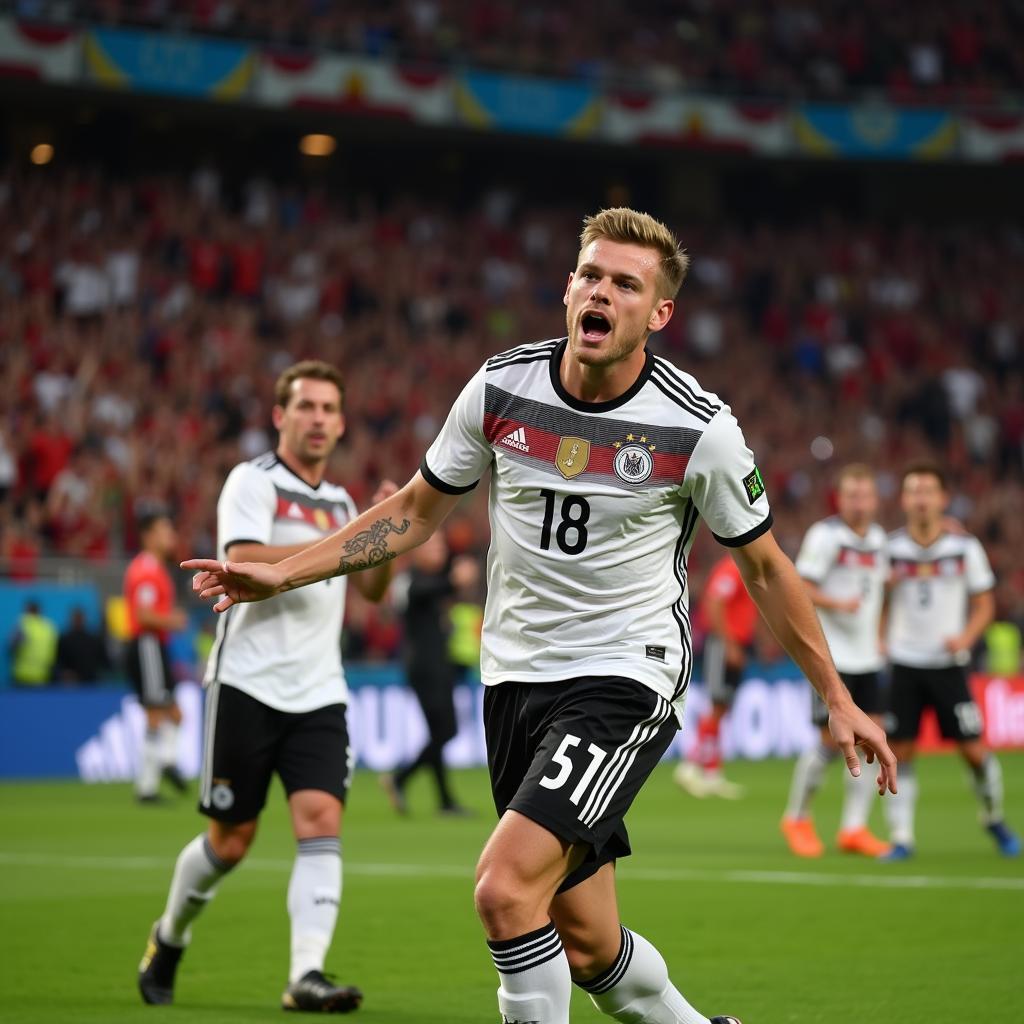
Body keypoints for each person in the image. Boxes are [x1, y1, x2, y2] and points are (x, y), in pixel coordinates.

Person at [185, 209, 896, 1024]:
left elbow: (766, 567)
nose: (602, 291)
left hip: (627, 676)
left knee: (503, 889)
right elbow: (415, 511)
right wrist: (281, 571)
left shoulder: (699, 427)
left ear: (658, 313)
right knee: (588, 942)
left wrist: (835, 695)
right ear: (567, 288)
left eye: (626, 284)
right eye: (591, 274)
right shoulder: (500, 387)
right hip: (515, 680)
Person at [137, 360, 397, 1012]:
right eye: (305, 406)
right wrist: (343, 544)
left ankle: (305, 975)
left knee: (321, 821)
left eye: (328, 409)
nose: (317, 419)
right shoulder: (251, 482)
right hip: (246, 685)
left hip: (319, 691)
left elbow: (371, 589)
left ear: (340, 424)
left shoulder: (341, 504)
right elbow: (247, 562)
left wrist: (382, 536)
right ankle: (169, 935)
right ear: (280, 416)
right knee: (232, 840)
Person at [880, 461, 1019, 861]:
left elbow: (984, 604)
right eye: (913, 491)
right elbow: (873, 600)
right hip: (904, 662)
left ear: (943, 498)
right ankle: (902, 837)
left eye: (928, 491)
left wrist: (966, 637)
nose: (921, 499)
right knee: (900, 752)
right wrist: (879, 633)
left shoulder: (964, 548)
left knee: (973, 752)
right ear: (904, 500)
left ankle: (992, 817)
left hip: (948, 664)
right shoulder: (889, 549)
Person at [781, 464, 891, 858]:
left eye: (865, 496)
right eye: (852, 496)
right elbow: (800, 587)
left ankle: (854, 829)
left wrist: (879, 634)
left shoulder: (879, 541)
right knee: (829, 744)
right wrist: (837, 603)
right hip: (833, 659)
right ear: (839, 499)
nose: (859, 504)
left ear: (876, 500)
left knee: (871, 742)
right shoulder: (825, 536)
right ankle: (796, 817)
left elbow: (883, 592)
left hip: (869, 660)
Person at [381, 532, 478, 816]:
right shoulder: (410, 580)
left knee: (438, 732)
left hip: (438, 665)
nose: (439, 552)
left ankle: (445, 801)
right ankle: (400, 778)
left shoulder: (432, 581)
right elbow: (419, 593)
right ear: (416, 551)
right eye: (432, 546)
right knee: (447, 730)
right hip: (425, 667)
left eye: (441, 546)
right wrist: (454, 581)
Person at [673, 555, 757, 799]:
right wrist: (728, 643)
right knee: (717, 705)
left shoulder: (742, 566)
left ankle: (711, 773)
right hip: (723, 645)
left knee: (722, 707)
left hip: (736, 643)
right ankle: (688, 766)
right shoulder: (732, 567)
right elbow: (714, 602)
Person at [124, 512, 189, 802]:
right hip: (147, 644)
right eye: (164, 529)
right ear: (148, 536)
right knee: (155, 712)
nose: (170, 535)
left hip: (156, 646)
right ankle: (148, 786)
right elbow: (143, 614)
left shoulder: (156, 568)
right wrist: (173, 620)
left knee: (174, 713)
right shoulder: (146, 570)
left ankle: (167, 762)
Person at [56, 606, 112, 683]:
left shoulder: (93, 640)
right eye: (76, 618)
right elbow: (59, 660)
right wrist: (65, 672)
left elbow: (104, 661)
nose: (78, 621)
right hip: (72, 683)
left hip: (92, 681)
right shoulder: (65, 639)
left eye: (79, 618)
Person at [9, 599, 58, 686]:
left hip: (22, 674)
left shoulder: (23, 624)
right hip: (43, 675)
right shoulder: (49, 626)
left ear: (27, 610)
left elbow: (12, 647)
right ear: (39, 610)